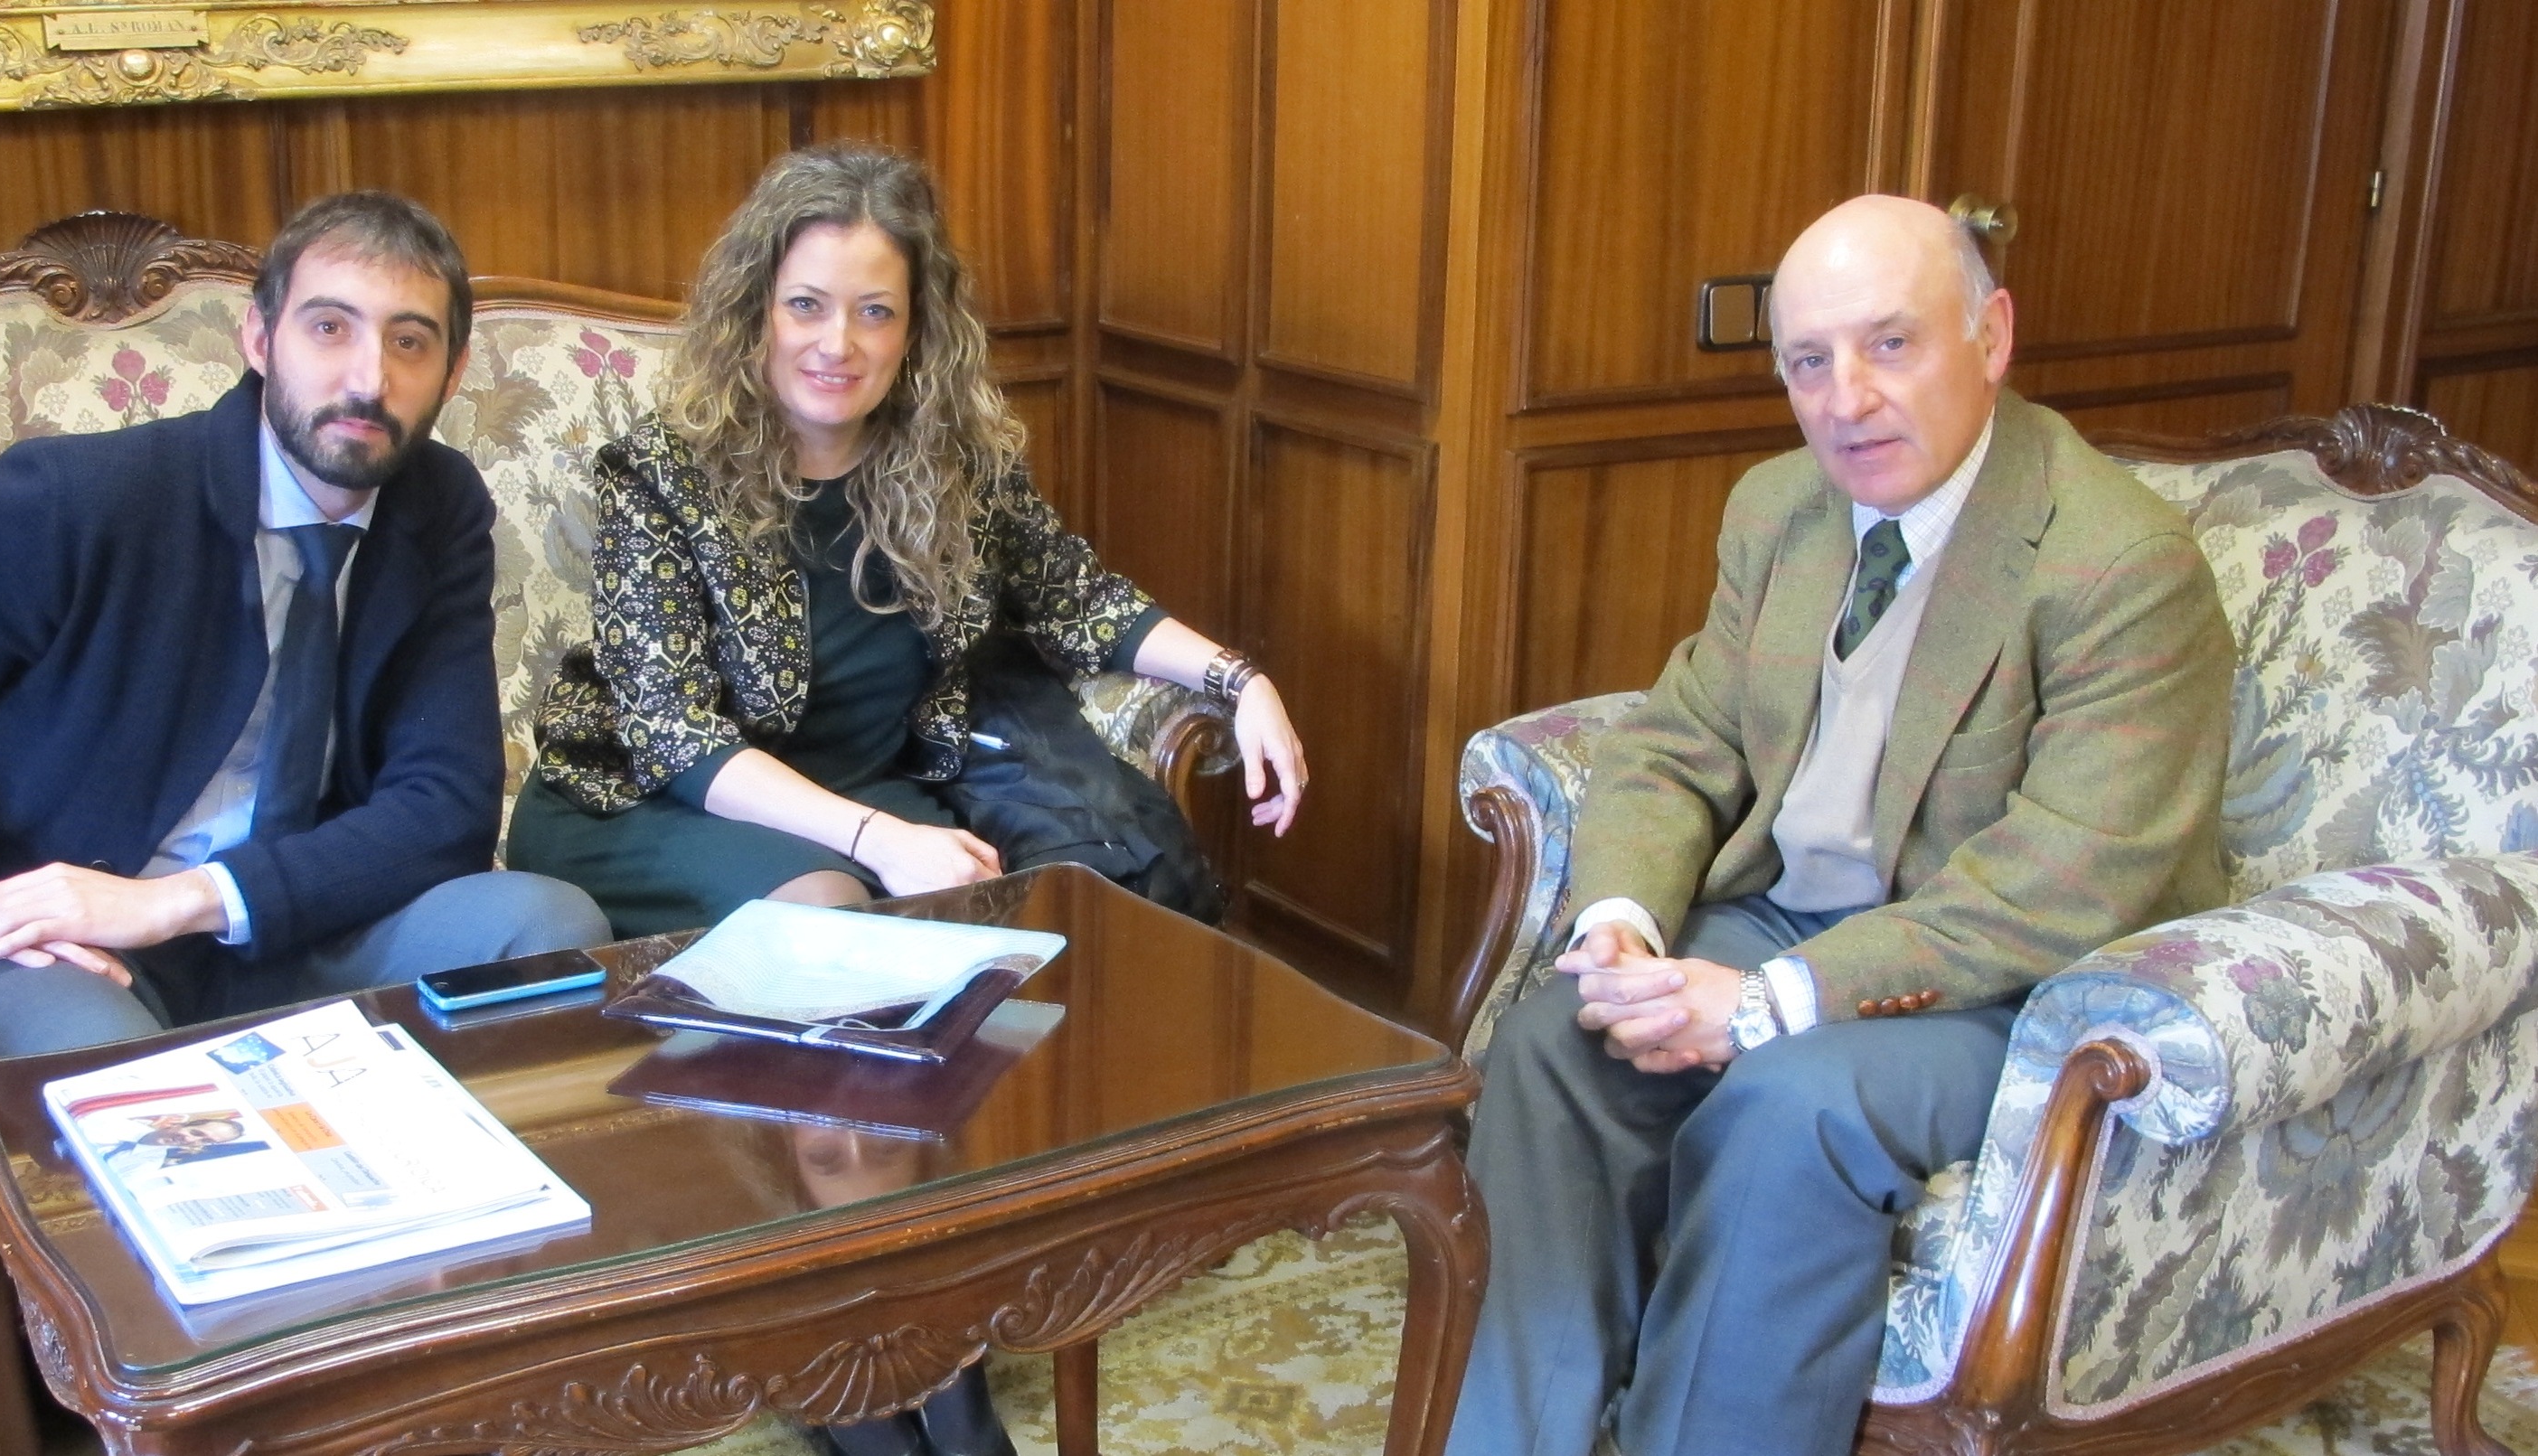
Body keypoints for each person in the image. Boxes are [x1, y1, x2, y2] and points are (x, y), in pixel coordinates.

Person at [1448, 195, 2236, 1456]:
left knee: (1790, 1103)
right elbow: (1678, 738)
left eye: (1889, 344)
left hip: (2013, 982)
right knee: (1557, 1040)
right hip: (1779, 910)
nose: (1845, 397)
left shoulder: (2112, 560)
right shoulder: (1780, 508)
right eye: (1807, 362)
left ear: (1989, 335)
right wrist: (1622, 925)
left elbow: (2061, 881)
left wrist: (1767, 1002)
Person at [0, 191, 612, 1097]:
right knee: (123, 1086)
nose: (367, 379)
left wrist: (177, 904)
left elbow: (445, 805)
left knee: (546, 925)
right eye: (329, 328)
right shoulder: (80, 501)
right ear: (259, 340)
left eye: (408, 342)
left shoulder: (436, 506)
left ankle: (492, 1226)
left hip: (283, 926)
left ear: (454, 371)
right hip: (62, 950)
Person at [509, 141, 1309, 944]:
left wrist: (1241, 681)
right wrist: (879, 839)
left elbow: (1078, 597)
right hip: (649, 800)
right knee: (833, 919)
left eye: (875, 311)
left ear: (916, 329)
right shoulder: (658, 474)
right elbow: (677, 738)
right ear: (756, 311)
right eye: (807, 305)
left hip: (857, 788)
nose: (838, 344)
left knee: (1014, 911)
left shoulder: (957, 462)